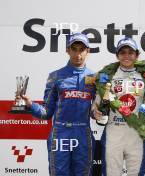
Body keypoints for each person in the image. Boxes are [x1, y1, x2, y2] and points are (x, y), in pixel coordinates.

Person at [18, 33, 96, 176]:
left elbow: (95, 111)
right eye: (74, 49)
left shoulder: (95, 78)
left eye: (81, 49)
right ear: (68, 50)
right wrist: (30, 104)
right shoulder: (55, 76)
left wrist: (100, 112)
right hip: (60, 132)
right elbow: (46, 112)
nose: (78, 54)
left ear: (88, 51)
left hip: (83, 132)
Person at [92, 37, 145, 176]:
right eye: (123, 52)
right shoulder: (107, 74)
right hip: (114, 130)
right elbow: (98, 101)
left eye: (130, 52)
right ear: (117, 55)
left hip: (137, 131)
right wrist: (95, 111)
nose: (126, 56)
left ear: (137, 55)